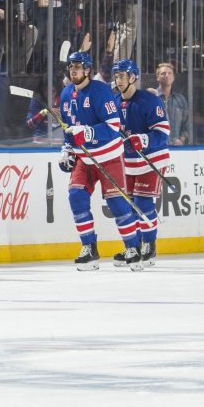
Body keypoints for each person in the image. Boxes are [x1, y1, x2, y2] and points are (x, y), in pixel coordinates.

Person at [57, 51, 143, 271]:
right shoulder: (66, 94)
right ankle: (89, 248)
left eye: (78, 67)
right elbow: (69, 128)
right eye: (71, 67)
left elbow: (113, 126)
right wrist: (67, 149)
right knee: (76, 196)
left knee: (116, 203)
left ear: (87, 70)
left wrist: (87, 133)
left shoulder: (101, 91)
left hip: (109, 155)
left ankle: (133, 248)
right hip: (84, 158)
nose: (73, 70)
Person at [111, 59, 167, 268]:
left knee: (143, 204)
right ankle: (133, 247)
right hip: (127, 161)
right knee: (129, 206)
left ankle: (149, 246)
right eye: (116, 76)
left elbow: (163, 133)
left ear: (133, 77)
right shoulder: (115, 102)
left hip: (152, 157)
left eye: (122, 75)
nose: (118, 80)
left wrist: (143, 139)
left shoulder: (149, 101)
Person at [152, 62, 190, 145]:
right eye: (163, 73)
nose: (167, 75)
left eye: (170, 73)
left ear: (173, 77)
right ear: (157, 77)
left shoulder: (180, 100)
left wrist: (181, 140)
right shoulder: (151, 98)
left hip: (177, 148)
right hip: (157, 148)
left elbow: (186, 124)